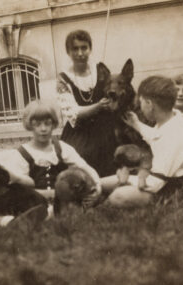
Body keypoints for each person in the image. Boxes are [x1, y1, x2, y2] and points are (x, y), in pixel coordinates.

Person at [96, 76, 183, 207]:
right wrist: (136, 124)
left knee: (119, 195)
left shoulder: (173, 137)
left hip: (174, 189)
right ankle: (93, 188)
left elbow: (155, 183)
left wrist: (128, 182)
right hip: (166, 180)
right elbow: (155, 137)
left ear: (150, 105)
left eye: (141, 102)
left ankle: (101, 207)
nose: (140, 106)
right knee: (102, 182)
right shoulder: (171, 120)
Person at [10, 101, 101, 202]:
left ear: (53, 124)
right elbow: (19, 187)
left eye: (47, 123)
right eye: (37, 124)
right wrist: (47, 194)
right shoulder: (22, 153)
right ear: (30, 125)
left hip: (63, 203)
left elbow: (85, 168)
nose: (43, 129)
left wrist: (97, 185)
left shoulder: (61, 148)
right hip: (35, 204)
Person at [56, 29, 117, 177]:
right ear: (68, 52)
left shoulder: (100, 70)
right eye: (75, 49)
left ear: (90, 49)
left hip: (104, 129)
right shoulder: (63, 79)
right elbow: (74, 113)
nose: (80, 53)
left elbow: (115, 92)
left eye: (84, 47)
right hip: (79, 132)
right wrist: (98, 106)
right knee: (78, 162)